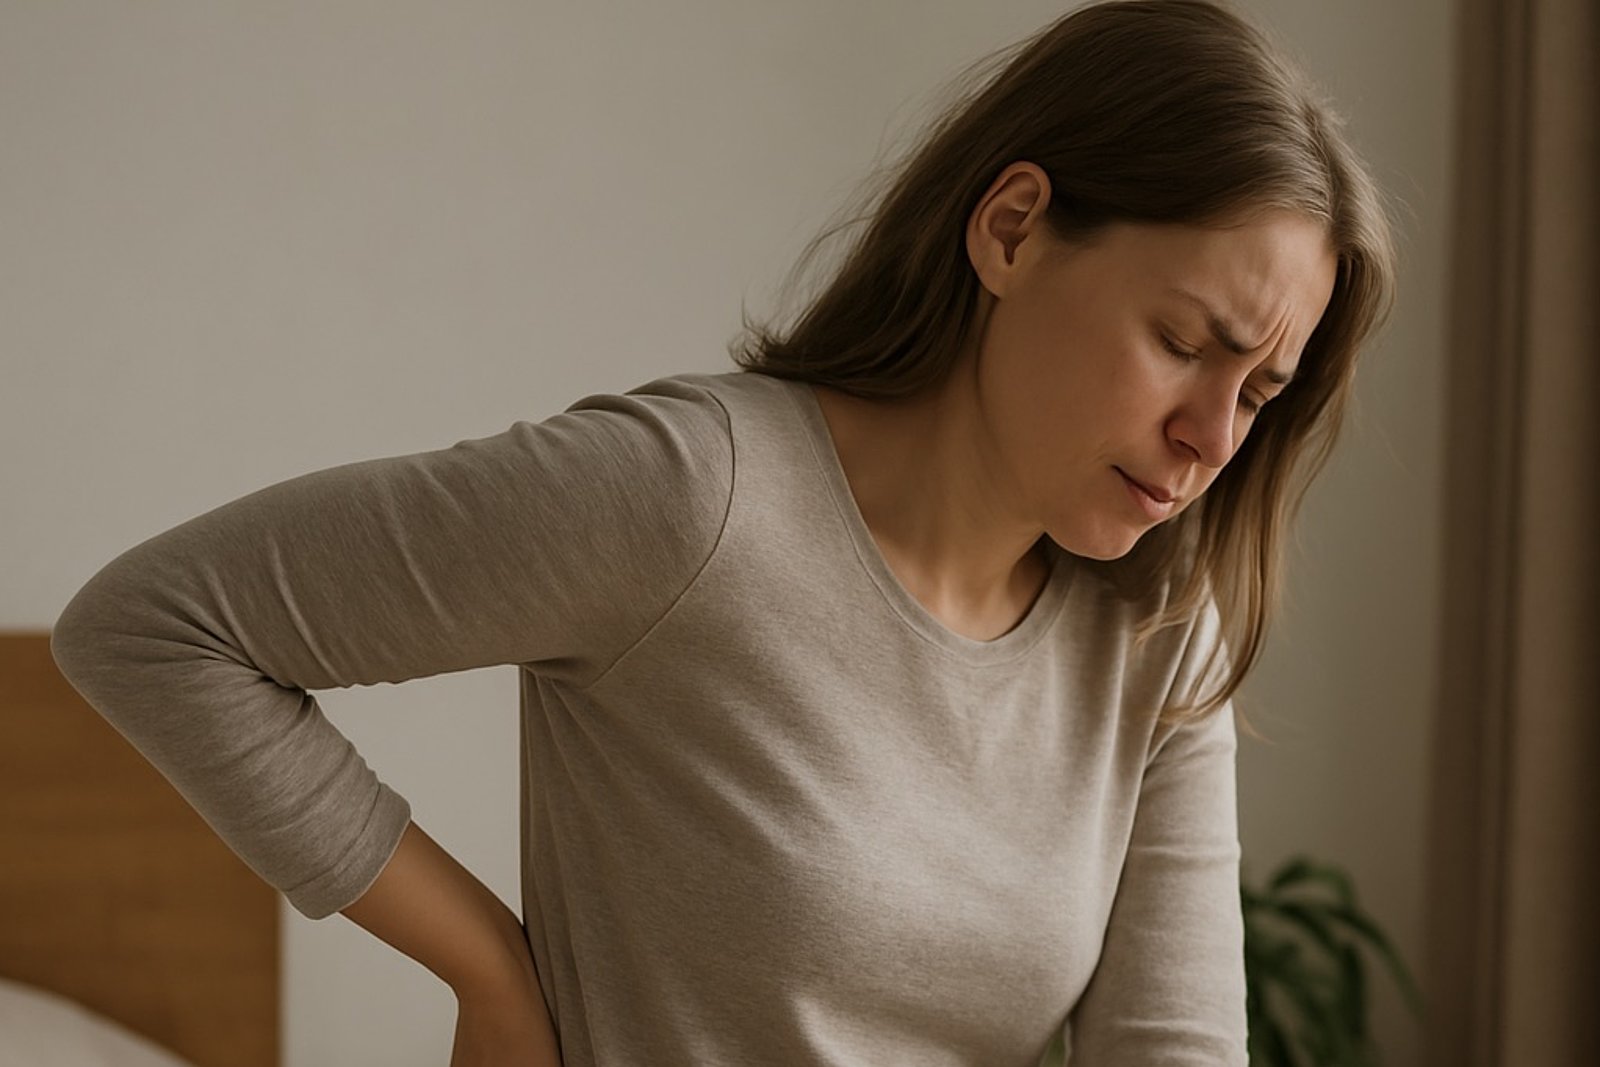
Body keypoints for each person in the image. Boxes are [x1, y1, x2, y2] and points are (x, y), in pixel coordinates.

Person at [49, 0, 1394, 1064]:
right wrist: (495, 971)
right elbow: (157, 627)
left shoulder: (1160, 632)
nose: (1211, 438)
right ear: (1012, 229)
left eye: (1258, 395)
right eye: (1183, 344)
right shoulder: (691, 500)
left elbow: (1172, 1049)